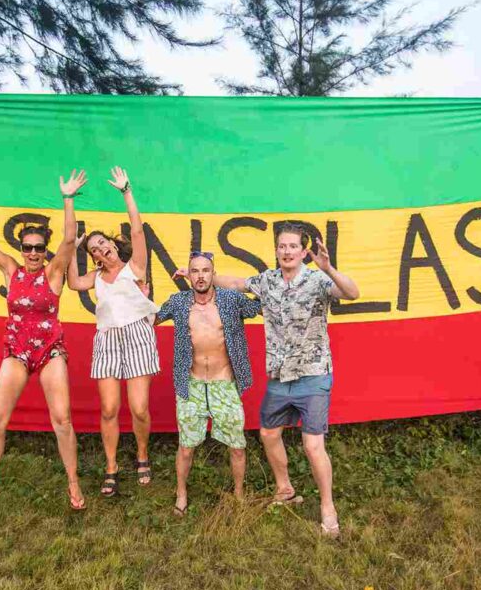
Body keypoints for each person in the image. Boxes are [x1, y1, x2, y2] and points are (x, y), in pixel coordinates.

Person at [213, 223, 360, 538]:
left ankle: (327, 507)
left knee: (312, 445)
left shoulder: (318, 279)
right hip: (280, 375)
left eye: (293, 246)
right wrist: (202, 277)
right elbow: (238, 283)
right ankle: (285, 490)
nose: (287, 251)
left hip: (313, 374)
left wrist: (329, 268)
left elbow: (352, 292)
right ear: (277, 249)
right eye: (282, 246)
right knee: (268, 433)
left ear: (303, 251)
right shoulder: (268, 281)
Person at [0, 169, 88, 514]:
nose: (33, 253)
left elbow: (68, 239)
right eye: (27, 248)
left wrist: (68, 198)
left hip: (50, 351)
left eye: (38, 248)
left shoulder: (54, 272)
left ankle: (73, 481)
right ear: (21, 249)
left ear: (44, 251)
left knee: (61, 419)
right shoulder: (10, 270)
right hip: (16, 351)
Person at [68, 166, 159, 497]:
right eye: (93, 248)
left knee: (138, 408)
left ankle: (142, 455)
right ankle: (111, 467)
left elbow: (137, 231)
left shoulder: (134, 268)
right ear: (92, 256)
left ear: (111, 245)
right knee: (108, 409)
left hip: (137, 336)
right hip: (106, 340)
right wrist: (72, 248)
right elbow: (73, 281)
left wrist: (126, 191)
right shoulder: (93, 278)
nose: (99, 249)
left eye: (102, 242)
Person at [156, 251, 261, 516]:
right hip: (190, 384)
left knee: (237, 446)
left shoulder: (231, 300)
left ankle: (238, 495)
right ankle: (181, 493)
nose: (200, 276)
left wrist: (225, 281)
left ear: (213, 274)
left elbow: (261, 302)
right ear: (188, 275)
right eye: (195, 271)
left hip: (223, 382)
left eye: (206, 270)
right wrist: (138, 296)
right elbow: (150, 319)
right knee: (186, 446)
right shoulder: (179, 302)